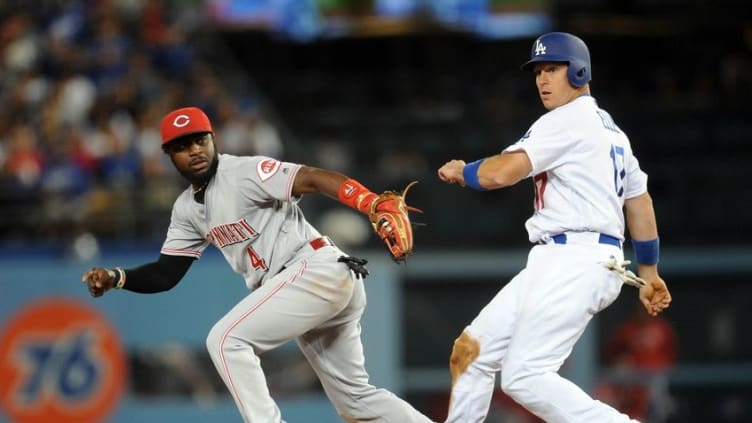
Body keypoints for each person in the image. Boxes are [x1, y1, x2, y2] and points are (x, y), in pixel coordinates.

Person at [81, 106, 434, 423]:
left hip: (314, 269)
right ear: (169, 155)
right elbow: (166, 273)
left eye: (200, 140)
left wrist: (369, 202)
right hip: (308, 285)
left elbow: (310, 177)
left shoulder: (243, 171)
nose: (195, 150)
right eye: (183, 146)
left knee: (225, 340)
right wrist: (117, 277)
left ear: (212, 139)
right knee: (356, 401)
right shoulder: (187, 210)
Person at [436, 32, 672, 423]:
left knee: (524, 375)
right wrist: (648, 271)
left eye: (552, 69)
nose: (542, 79)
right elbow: (639, 201)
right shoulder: (612, 131)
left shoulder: (566, 120)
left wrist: (465, 171)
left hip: (577, 259)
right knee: (470, 351)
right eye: (538, 71)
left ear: (579, 71)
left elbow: (501, 174)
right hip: (563, 257)